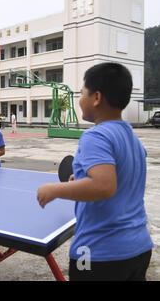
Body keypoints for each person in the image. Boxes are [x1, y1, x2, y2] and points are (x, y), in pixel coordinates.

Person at [37, 63, 153, 281]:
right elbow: (121, 175)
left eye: (82, 94)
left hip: (99, 252)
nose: (79, 100)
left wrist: (54, 189)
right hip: (138, 247)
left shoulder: (95, 136)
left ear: (96, 97)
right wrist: (80, 180)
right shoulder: (133, 139)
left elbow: (103, 186)